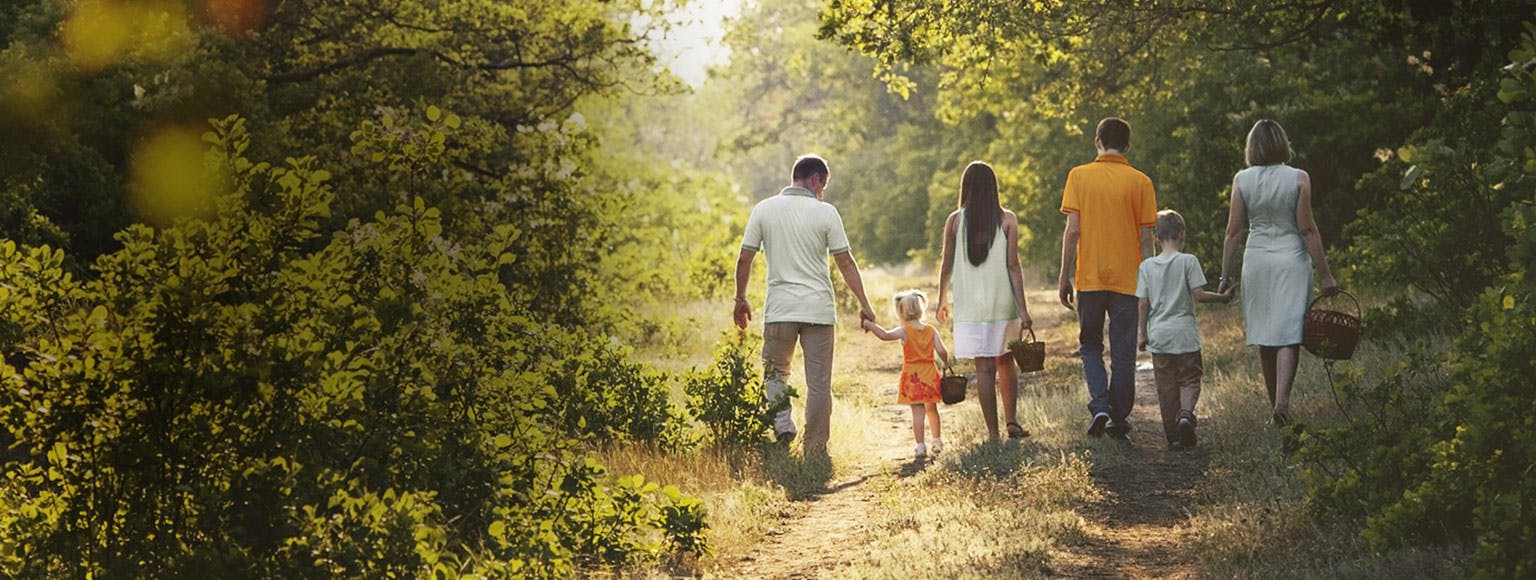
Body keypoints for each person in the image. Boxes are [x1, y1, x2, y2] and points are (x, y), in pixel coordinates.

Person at [734, 154, 877, 454]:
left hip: (780, 310)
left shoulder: (764, 209)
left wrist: (741, 299)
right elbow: (845, 262)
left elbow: (745, 257)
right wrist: (864, 303)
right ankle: (815, 448)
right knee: (819, 383)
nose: (822, 191)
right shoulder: (826, 213)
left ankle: (783, 425)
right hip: (819, 312)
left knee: (775, 372)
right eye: (823, 185)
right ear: (815, 180)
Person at [1218, 120, 1339, 427]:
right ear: (1282, 143)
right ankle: (1283, 403)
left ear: (1252, 147)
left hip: (1257, 259)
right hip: (1291, 259)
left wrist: (1224, 276)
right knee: (1289, 333)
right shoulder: (1298, 177)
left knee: (1265, 336)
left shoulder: (1242, 179)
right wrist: (1325, 275)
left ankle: (1276, 406)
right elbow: (1308, 229)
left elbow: (1233, 231)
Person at [1058, 117, 1158, 440]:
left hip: (1090, 277)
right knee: (1124, 349)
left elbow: (1072, 231)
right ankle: (1118, 417)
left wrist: (1064, 276)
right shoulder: (1141, 181)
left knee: (1089, 345)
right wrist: (1151, 280)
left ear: (1096, 141)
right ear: (1127, 146)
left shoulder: (1079, 176)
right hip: (1129, 280)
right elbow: (1146, 238)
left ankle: (1100, 404)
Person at [936, 161, 1033, 441]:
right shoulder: (1007, 219)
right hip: (1002, 304)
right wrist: (1024, 309)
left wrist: (941, 299)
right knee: (1005, 362)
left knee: (984, 370)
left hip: (970, 308)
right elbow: (1014, 266)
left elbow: (947, 264)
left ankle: (993, 434)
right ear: (993, 188)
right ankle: (1012, 421)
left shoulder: (955, 220)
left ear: (965, 187)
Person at [1137, 210, 1233, 450]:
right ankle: (1185, 415)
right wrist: (1222, 298)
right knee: (1189, 379)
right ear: (1182, 234)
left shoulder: (1147, 266)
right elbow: (1199, 295)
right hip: (1184, 334)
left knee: (1166, 386)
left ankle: (1174, 437)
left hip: (1159, 335)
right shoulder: (1188, 261)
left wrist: (1142, 334)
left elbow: (1142, 303)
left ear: (1156, 236)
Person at [862, 290, 951, 458]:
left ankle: (920, 446)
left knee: (917, 412)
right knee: (932, 410)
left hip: (912, 377)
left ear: (901, 312)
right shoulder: (931, 330)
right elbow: (942, 350)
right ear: (920, 309)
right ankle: (937, 441)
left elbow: (885, 335)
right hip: (930, 374)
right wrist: (945, 363)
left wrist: (870, 325)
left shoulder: (904, 331)